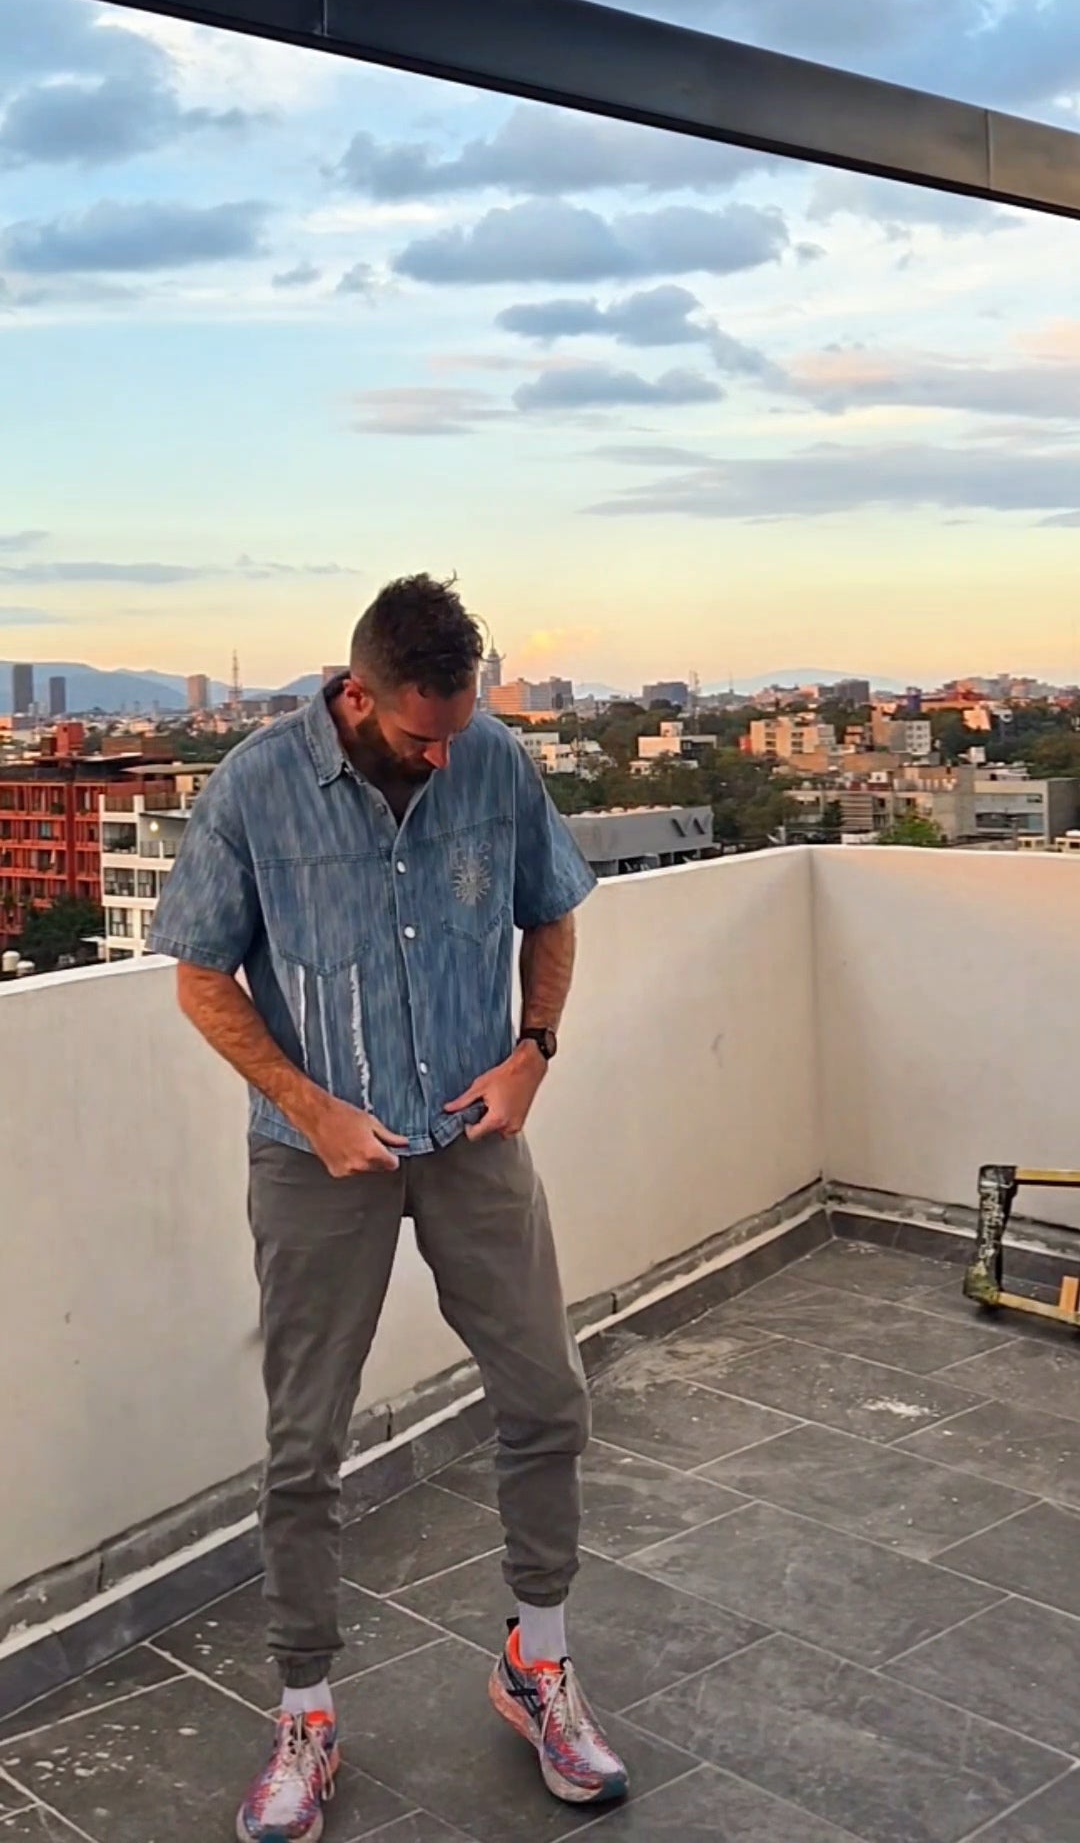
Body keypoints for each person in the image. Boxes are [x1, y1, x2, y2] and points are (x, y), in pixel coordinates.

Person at [147, 575, 628, 1842]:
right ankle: (306, 1713)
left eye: (462, 724)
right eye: (424, 732)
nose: (447, 750)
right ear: (358, 696)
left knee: (546, 1400)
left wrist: (534, 1051)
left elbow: (553, 913)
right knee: (306, 1448)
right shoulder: (253, 788)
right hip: (319, 1162)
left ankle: (540, 1661)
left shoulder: (494, 762)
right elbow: (202, 978)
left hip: (472, 1140)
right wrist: (310, 1110)